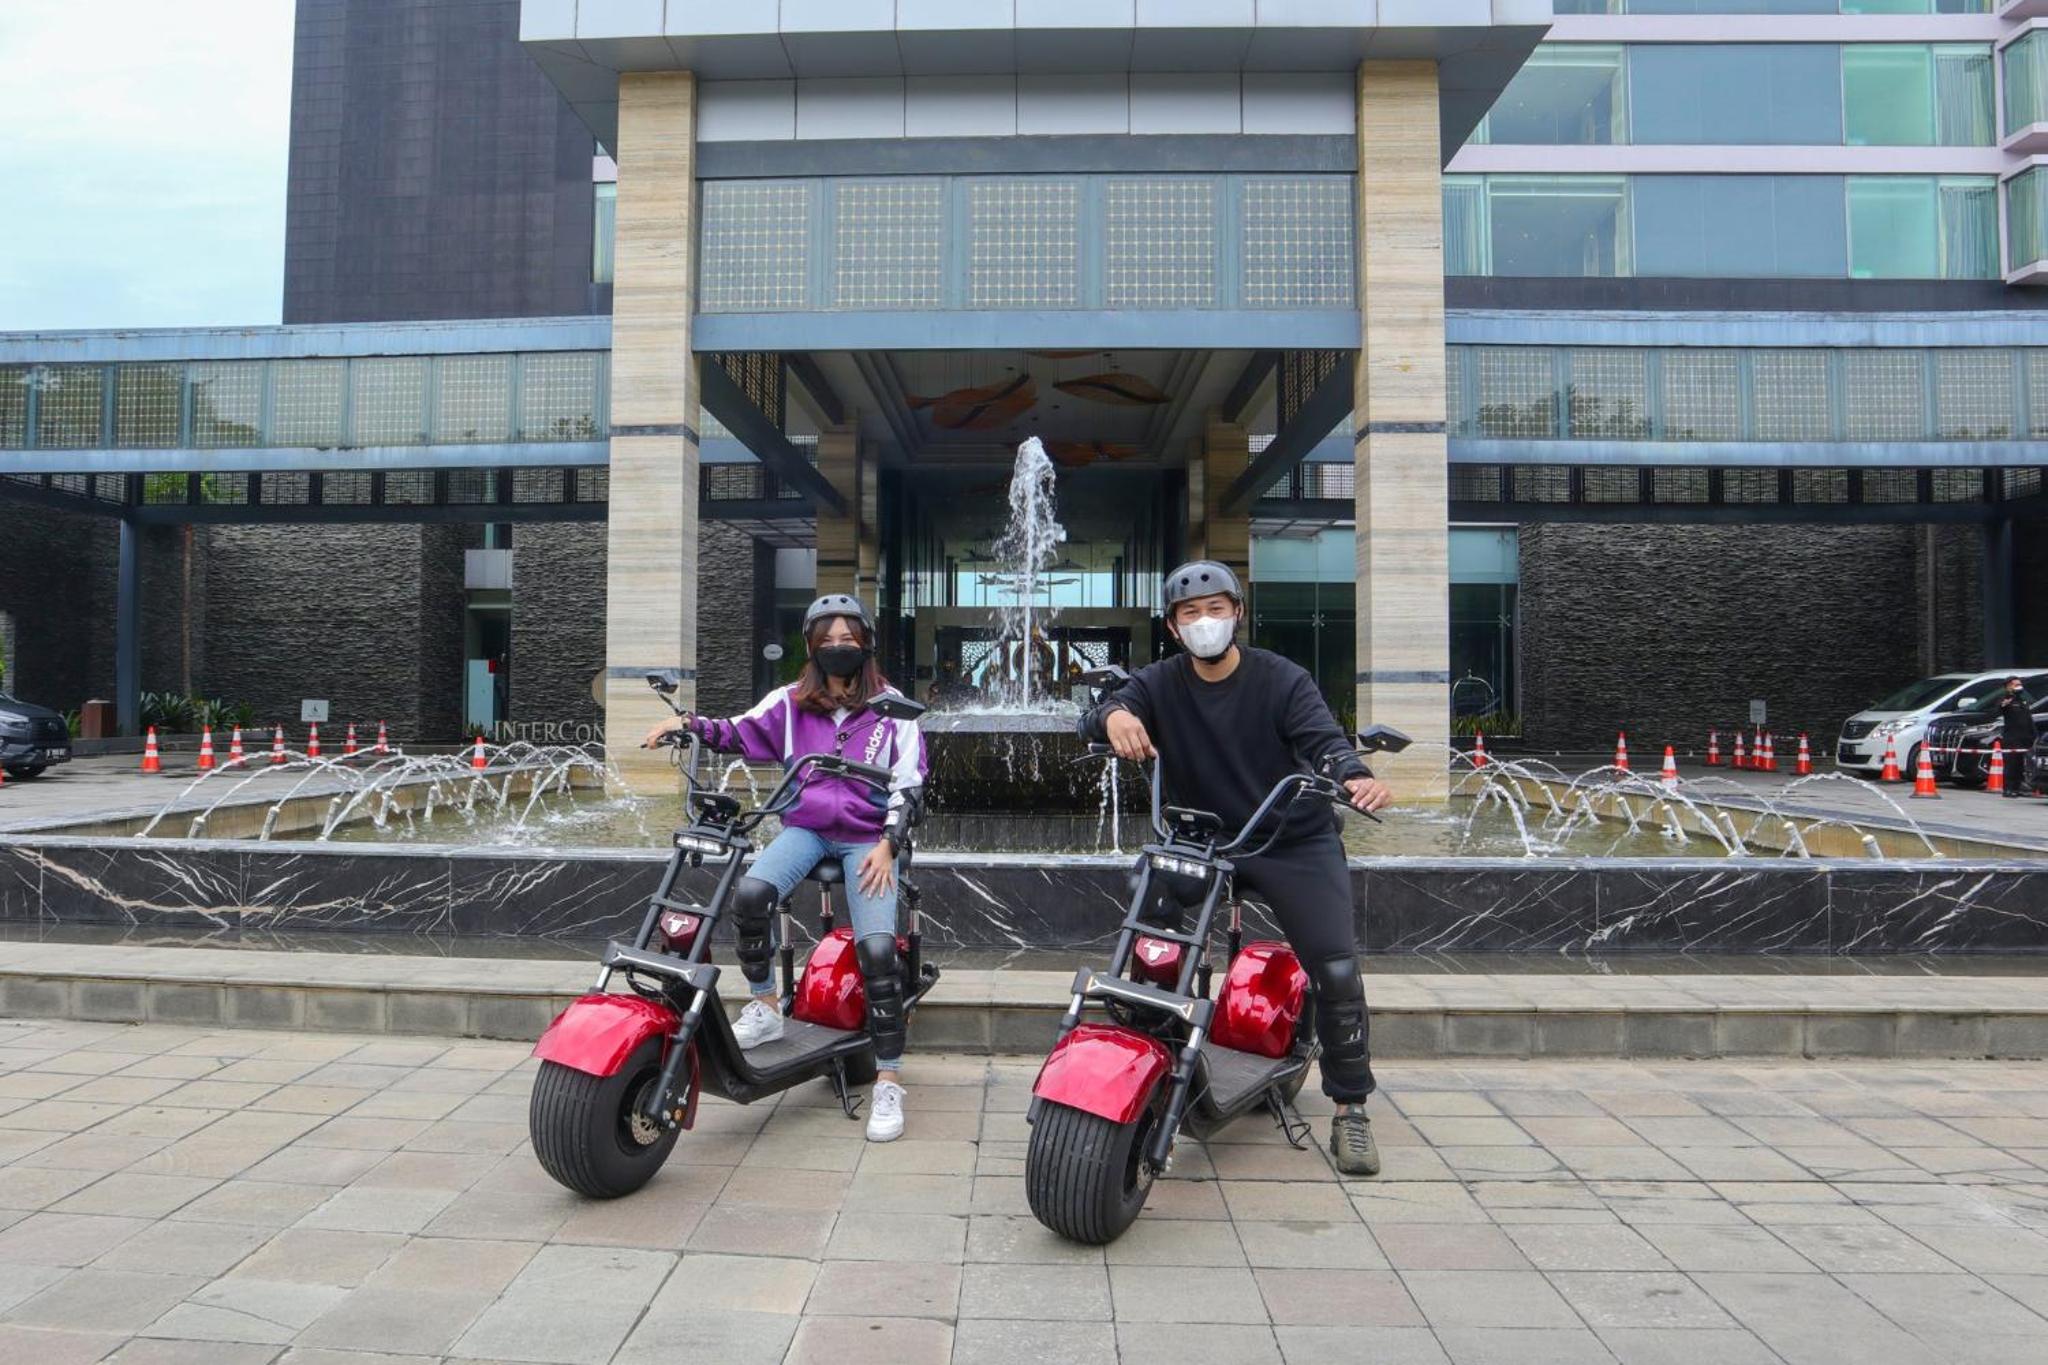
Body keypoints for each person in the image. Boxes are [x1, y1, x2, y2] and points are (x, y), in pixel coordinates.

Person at [1077, 561, 1393, 1176]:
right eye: (1190, 614)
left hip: (1290, 839)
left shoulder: (1282, 679)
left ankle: (1350, 1107)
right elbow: (1100, 714)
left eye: (1216, 610)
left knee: (1335, 966)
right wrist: (1113, 716)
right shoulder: (1158, 682)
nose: (1205, 622)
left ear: (1237, 614)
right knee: (1151, 926)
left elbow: (1325, 741)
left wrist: (1354, 774)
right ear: (1173, 627)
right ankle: (1159, 1052)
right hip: (1201, 840)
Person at [641, 593, 927, 1142]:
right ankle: (766, 1007)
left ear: (866, 644)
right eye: (827, 640)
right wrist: (685, 723)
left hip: (868, 839)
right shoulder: (790, 702)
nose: (838, 647)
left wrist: (889, 845)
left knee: (876, 952)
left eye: (848, 639)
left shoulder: (893, 708)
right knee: (751, 894)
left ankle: (889, 1079)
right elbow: (735, 731)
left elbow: (910, 784)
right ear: (812, 647)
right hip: (808, 829)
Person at [1996, 676, 2037, 799]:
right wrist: (2006, 701)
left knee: (2020, 765)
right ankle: (2008, 789)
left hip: (2025, 737)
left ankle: (2017, 788)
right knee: (2011, 764)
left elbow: (2028, 719)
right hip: (2012, 738)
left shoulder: (2023, 700)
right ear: (2009, 686)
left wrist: (2033, 734)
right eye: (2016, 684)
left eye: (2020, 684)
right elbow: (2000, 708)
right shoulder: (2006, 699)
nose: (2019, 686)